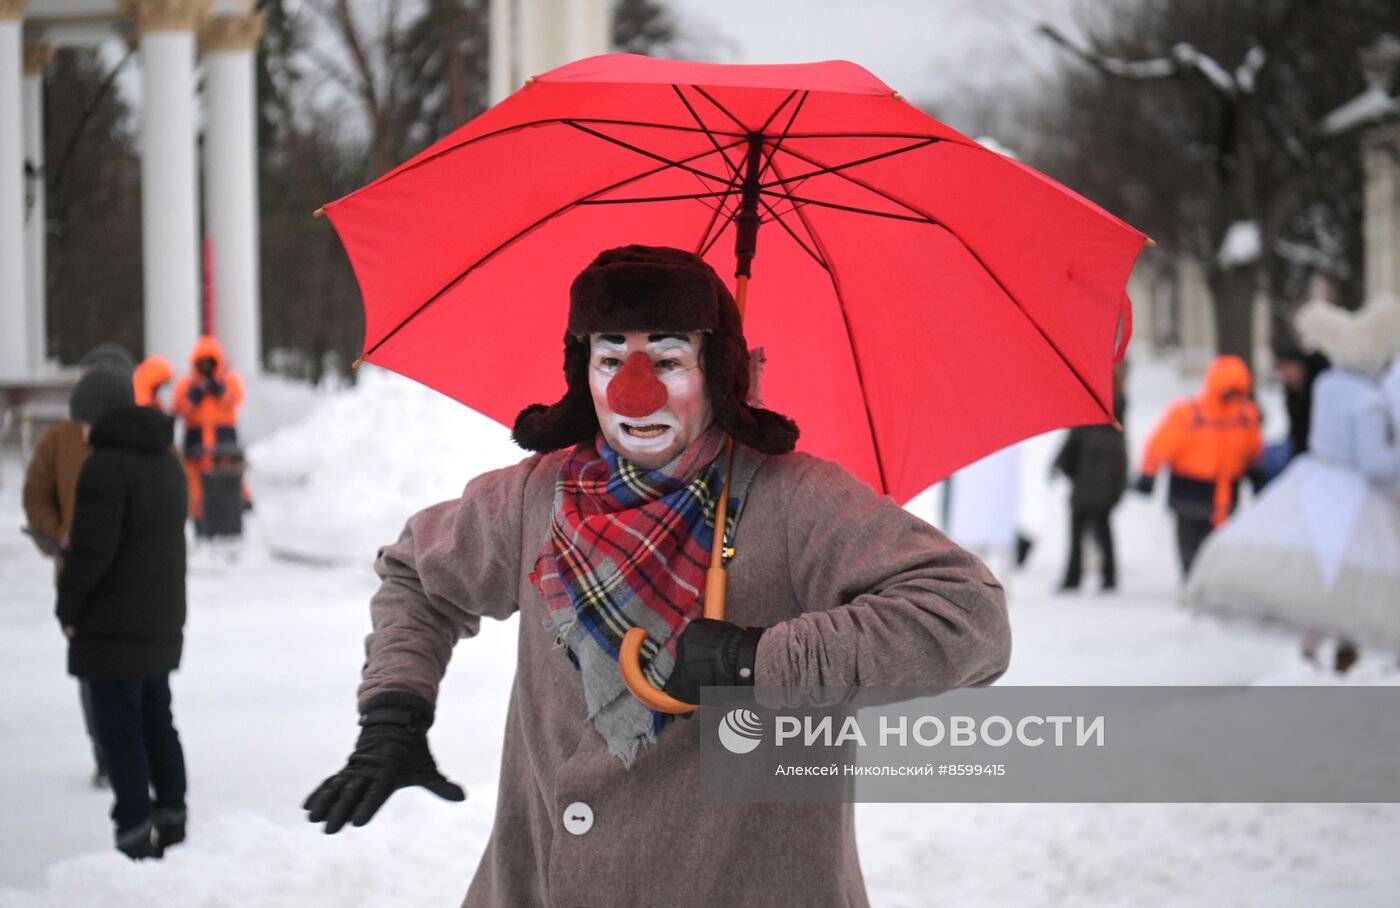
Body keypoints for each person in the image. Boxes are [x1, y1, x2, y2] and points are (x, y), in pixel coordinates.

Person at [302, 246, 1011, 907]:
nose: (634, 393)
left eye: (668, 360)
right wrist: (395, 708)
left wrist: (754, 660)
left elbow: (968, 617)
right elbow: (418, 578)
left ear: (719, 372)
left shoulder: (797, 500)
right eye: (611, 360)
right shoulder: (532, 497)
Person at [1186, 296, 1400, 670]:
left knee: (1316, 563)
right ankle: (1343, 642)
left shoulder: (1327, 385)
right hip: (1352, 494)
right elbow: (1373, 462)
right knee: (1348, 570)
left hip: (1313, 480)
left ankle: (1315, 643)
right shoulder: (1370, 401)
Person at [56, 369, 189, 860]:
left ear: (97, 416)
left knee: (119, 729)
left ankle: (134, 832)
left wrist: (68, 608)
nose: (81, 432)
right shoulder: (166, 461)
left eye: (82, 422)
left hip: (111, 627)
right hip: (159, 621)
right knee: (158, 718)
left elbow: (93, 554)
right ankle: (172, 817)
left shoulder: (104, 468)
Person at [23, 345, 137, 788]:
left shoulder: (142, 437)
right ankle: (106, 751)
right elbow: (36, 495)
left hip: (131, 578)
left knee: (134, 672)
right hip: (78, 574)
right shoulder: (60, 439)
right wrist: (56, 538)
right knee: (93, 673)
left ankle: (127, 749)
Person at [1133, 355, 1263, 577]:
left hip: (1224, 494)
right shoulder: (1189, 414)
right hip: (1189, 491)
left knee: (1216, 545)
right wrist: (1148, 474)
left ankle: (1209, 582)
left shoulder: (1246, 415)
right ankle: (1192, 580)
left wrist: (1254, 469)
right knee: (1190, 543)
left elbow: (1252, 448)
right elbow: (1160, 445)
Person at [1053, 380, 1128, 592]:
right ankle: (1109, 576)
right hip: (1104, 487)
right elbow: (1122, 456)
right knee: (1103, 530)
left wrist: (1062, 466)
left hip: (1084, 486)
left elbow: (1070, 451)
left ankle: (1073, 577)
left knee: (1079, 532)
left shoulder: (1085, 424)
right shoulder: (1116, 423)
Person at [170, 336, 246, 534]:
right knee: (196, 488)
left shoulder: (229, 381)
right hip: (196, 446)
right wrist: (195, 395)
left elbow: (235, 399)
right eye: (201, 364)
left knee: (227, 484)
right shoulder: (187, 385)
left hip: (224, 445)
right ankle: (200, 524)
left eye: (209, 363)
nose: (206, 368)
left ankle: (231, 521)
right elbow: (178, 408)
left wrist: (218, 389)